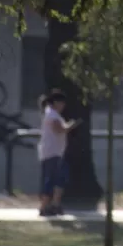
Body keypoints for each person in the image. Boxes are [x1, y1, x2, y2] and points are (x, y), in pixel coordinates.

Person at [38, 89, 82, 217]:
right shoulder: (52, 115)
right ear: (56, 102)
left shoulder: (53, 114)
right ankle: (44, 206)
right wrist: (72, 125)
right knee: (51, 180)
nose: (63, 106)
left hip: (56, 152)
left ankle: (55, 205)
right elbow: (59, 130)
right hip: (51, 153)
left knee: (60, 179)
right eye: (61, 103)